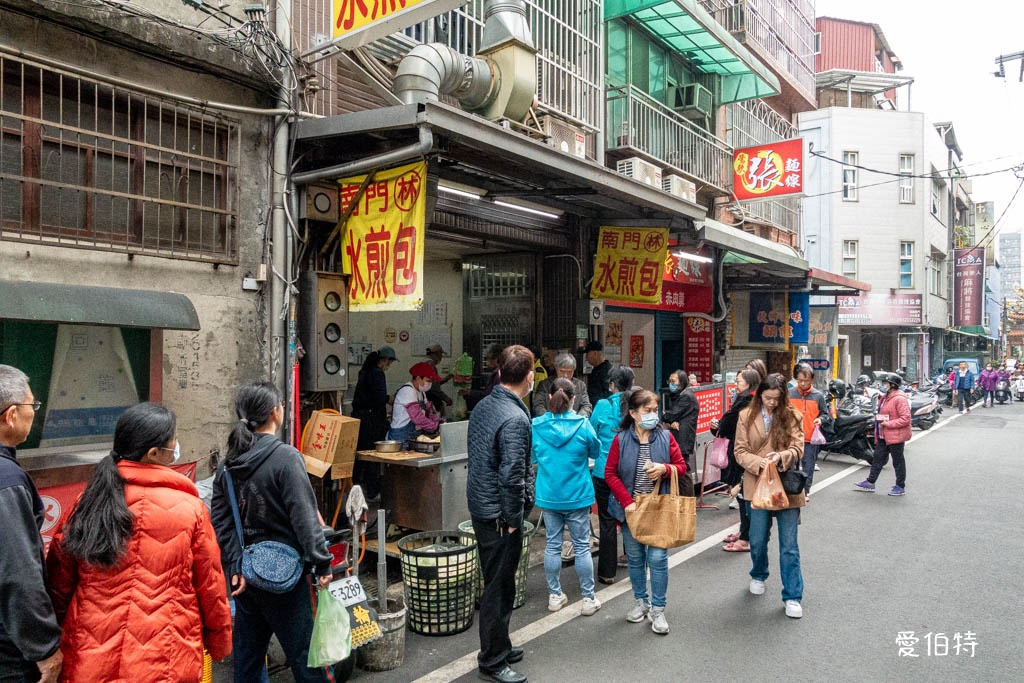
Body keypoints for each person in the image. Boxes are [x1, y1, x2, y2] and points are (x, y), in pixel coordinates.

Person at [46, 403, 232, 681]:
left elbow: (59, 583)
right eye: (173, 439)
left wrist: (53, 641)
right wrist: (219, 642)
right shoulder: (191, 509)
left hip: (89, 654)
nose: (176, 445)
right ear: (154, 453)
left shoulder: (88, 501)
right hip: (167, 657)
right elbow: (210, 586)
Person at [210, 382, 334, 683]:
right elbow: (305, 518)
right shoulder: (286, 458)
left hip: (247, 577)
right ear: (275, 412)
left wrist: (236, 565)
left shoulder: (227, 466)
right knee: (308, 659)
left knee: (249, 662)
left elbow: (221, 521)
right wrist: (322, 563)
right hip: (289, 578)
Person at [466, 346, 535, 683]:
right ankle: (492, 660)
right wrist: (511, 520)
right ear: (529, 376)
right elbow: (511, 476)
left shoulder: (484, 405)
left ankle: (501, 645)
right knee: (498, 587)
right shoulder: (515, 418)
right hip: (499, 515)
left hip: (482, 505)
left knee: (500, 582)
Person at [605, 389, 687, 635]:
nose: (653, 415)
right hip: (631, 510)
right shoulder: (620, 440)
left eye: (655, 410)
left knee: (658, 558)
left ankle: (658, 609)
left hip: (659, 508)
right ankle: (641, 602)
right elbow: (610, 473)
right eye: (647, 411)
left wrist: (665, 468)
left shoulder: (666, 437)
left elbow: (681, 466)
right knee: (635, 558)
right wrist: (626, 501)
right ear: (633, 413)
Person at [0, 366, 63, 683]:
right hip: (9, 653)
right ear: (11, 415)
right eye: (32, 405)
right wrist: (44, 649)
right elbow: (17, 573)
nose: (34, 412)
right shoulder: (7, 479)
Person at [734, 373, 806, 619]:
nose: (772, 402)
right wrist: (759, 463)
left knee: (789, 545)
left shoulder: (792, 415)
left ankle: (793, 596)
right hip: (756, 484)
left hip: (786, 486)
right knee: (756, 539)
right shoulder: (746, 416)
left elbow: (798, 447)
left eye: (776, 398)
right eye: (768, 398)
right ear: (760, 395)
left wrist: (781, 457)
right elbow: (739, 451)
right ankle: (758, 573)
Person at [532, 378, 601, 617]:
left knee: (553, 544)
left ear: (550, 397)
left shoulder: (537, 425)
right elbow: (595, 451)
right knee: (581, 546)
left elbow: (533, 458)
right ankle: (588, 599)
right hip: (578, 494)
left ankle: (554, 595)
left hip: (549, 495)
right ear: (573, 399)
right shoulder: (582, 424)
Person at [589, 365, 637, 585]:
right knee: (631, 513)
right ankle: (634, 559)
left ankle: (607, 573)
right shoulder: (637, 403)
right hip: (629, 470)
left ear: (612, 384)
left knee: (607, 520)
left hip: (603, 471)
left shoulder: (603, 405)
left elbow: (592, 433)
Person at [711, 368, 761, 552]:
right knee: (741, 496)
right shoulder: (743, 399)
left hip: (744, 454)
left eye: (739, 381)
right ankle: (743, 532)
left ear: (749, 383)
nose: (735, 384)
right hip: (738, 451)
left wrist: (720, 424)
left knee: (744, 495)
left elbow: (728, 424)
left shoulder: (748, 402)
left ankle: (746, 538)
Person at [854, 372, 911, 496]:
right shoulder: (885, 397)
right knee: (877, 459)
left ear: (893, 385)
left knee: (898, 461)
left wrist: (888, 423)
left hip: (895, 435)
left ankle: (900, 486)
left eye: (886, 383)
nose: (883, 385)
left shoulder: (900, 399)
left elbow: (906, 418)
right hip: (882, 434)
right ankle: (870, 482)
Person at [351, 346, 396, 498]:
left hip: (360, 418)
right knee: (373, 456)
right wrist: (389, 399)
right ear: (385, 360)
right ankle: (372, 491)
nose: (389, 365)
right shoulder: (377, 373)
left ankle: (355, 487)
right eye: (390, 362)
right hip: (371, 421)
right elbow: (379, 397)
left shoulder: (364, 371)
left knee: (361, 455)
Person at [788, 364, 829, 497]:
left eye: (806, 381)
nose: (803, 383)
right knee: (789, 466)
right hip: (791, 437)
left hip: (810, 438)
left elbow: (826, 414)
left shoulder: (818, 396)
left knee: (808, 467)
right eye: (800, 380)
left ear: (812, 380)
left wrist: (820, 419)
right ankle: (790, 490)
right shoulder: (790, 394)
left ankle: (804, 492)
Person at [387, 362, 444, 447]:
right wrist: (435, 426)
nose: (430, 384)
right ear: (418, 378)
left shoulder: (422, 393)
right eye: (428, 381)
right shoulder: (407, 391)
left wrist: (438, 421)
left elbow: (429, 411)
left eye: (431, 381)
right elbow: (417, 417)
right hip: (400, 438)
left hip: (412, 437)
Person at [532, 353, 593, 418]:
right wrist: (549, 419)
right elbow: (538, 405)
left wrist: (577, 419)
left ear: (574, 370)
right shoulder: (544, 385)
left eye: (569, 372)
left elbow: (586, 406)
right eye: (562, 371)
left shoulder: (580, 385)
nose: (565, 375)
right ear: (556, 368)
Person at [661, 369, 698, 474]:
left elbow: (672, 414)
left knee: (683, 468)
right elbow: (674, 416)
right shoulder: (679, 395)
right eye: (669, 381)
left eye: (673, 381)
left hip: (683, 437)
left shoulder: (686, 396)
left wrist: (666, 417)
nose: (671, 384)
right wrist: (672, 421)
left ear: (681, 382)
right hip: (679, 434)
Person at [462, 343, 503, 411]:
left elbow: (490, 397)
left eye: (488, 359)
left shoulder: (498, 376)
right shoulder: (498, 373)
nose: (486, 363)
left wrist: (471, 393)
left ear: (496, 359)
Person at [424, 344, 454, 415]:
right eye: (441, 354)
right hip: (431, 400)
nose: (441, 357)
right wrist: (446, 398)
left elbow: (434, 383)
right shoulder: (430, 366)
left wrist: (447, 378)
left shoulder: (426, 364)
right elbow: (434, 388)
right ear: (437, 354)